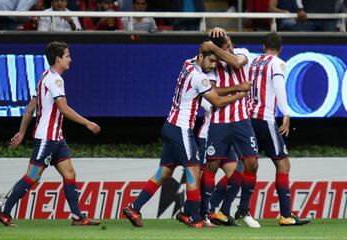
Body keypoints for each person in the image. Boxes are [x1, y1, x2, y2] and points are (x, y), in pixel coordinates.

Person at [122, 48, 248, 228]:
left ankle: (135, 207)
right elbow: (217, 101)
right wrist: (240, 93)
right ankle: (193, 216)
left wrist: (210, 47)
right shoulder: (199, 78)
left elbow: (206, 72)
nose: (213, 66)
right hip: (181, 129)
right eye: (211, 61)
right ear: (201, 56)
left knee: (164, 172)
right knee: (194, 171)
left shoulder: (187, 64)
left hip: (170, 126)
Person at [0, 41, 101, 227]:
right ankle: (4, 211)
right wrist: (87, 123)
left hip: (56, 138)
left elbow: (30, 109)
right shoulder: (55, 80)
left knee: (69, 173)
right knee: (32, 176)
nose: (70, 59)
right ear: (58, 58)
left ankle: (78, 217)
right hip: (47, 138)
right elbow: (64, 109)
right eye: (67, 56)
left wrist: (22, 132)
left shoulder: (44, 77)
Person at [199, 28, 260, 228]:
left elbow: (237, 62)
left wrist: (214, 48)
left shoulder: (243, 52)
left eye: (228, 42)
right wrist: (238, 88)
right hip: (218, 122)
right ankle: (205, 212)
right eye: (223, 45)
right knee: (212, 167)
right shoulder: (212, 62)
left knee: (252, 163)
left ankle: (244, 210)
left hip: (242, 120)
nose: (228, 46)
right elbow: (213, 92)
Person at [248, 33, 310, 226]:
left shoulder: (254, 61)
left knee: (245, 165)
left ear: (262, 46)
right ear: (280, 48)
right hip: (264, 118)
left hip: (248, 117)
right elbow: (279, 86)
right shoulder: (278, 63)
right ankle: (285, 215)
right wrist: (286, 112)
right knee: (283, 165)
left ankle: (224, 210)